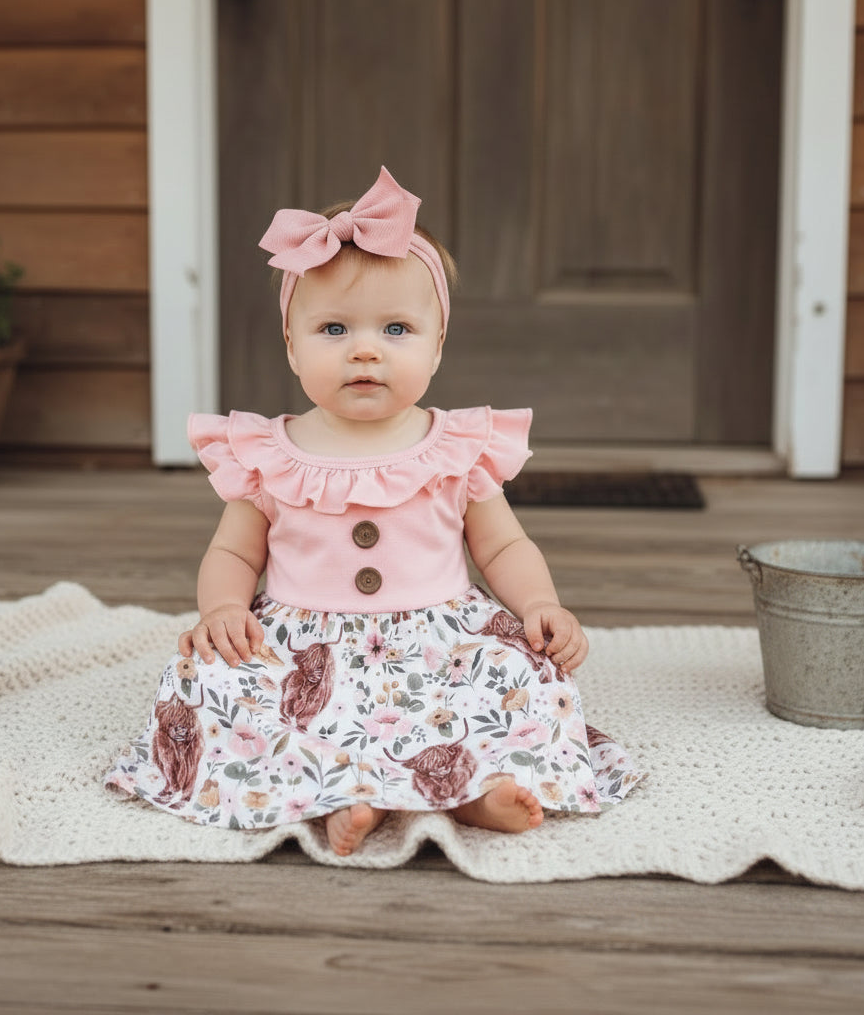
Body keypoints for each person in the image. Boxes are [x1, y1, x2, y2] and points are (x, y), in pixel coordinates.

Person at [105, 166, 642, 856]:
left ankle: (476, 793)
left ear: (437, 344)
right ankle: (333, 796)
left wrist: (541, 604)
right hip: (303, 650)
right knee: (210, 679)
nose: (365, 349)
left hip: (439, 643)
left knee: (520, 674)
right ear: (292, 346)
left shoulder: (456, 448)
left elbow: (503, 546)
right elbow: (234, 553)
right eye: (333, 328)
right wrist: (223, 612)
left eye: (396, 328)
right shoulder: (269, 453)